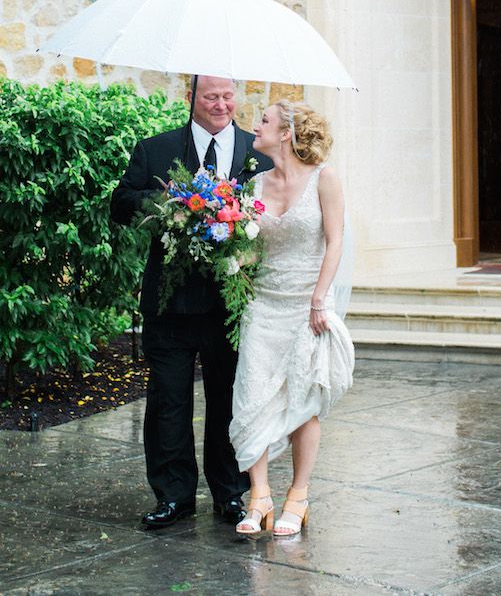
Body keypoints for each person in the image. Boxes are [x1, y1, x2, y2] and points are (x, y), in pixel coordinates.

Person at [110, 76, 272, 529]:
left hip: (232, 304)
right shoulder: (155, 149)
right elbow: (120, 203)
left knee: (231, 401)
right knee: (168, 402)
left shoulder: (258, 152)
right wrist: (169, 203)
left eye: (227, 96)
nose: (221, 105)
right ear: (191, 99)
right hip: (169, 305)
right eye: (210, 97)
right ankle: (174, 496)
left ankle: (232, 494)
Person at [230, 100, 354, 536]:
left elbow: (335, 241)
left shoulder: (325, 178)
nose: (254, 126)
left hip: (307, 307)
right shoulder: (255, 184)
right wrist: (227, 256)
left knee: (303, 402)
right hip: (262, 304)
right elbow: (248, 249)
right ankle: (259, 495)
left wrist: (321, 299)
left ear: (286, 132)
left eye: (263, 120)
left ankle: (298, 497)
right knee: (251, 395)